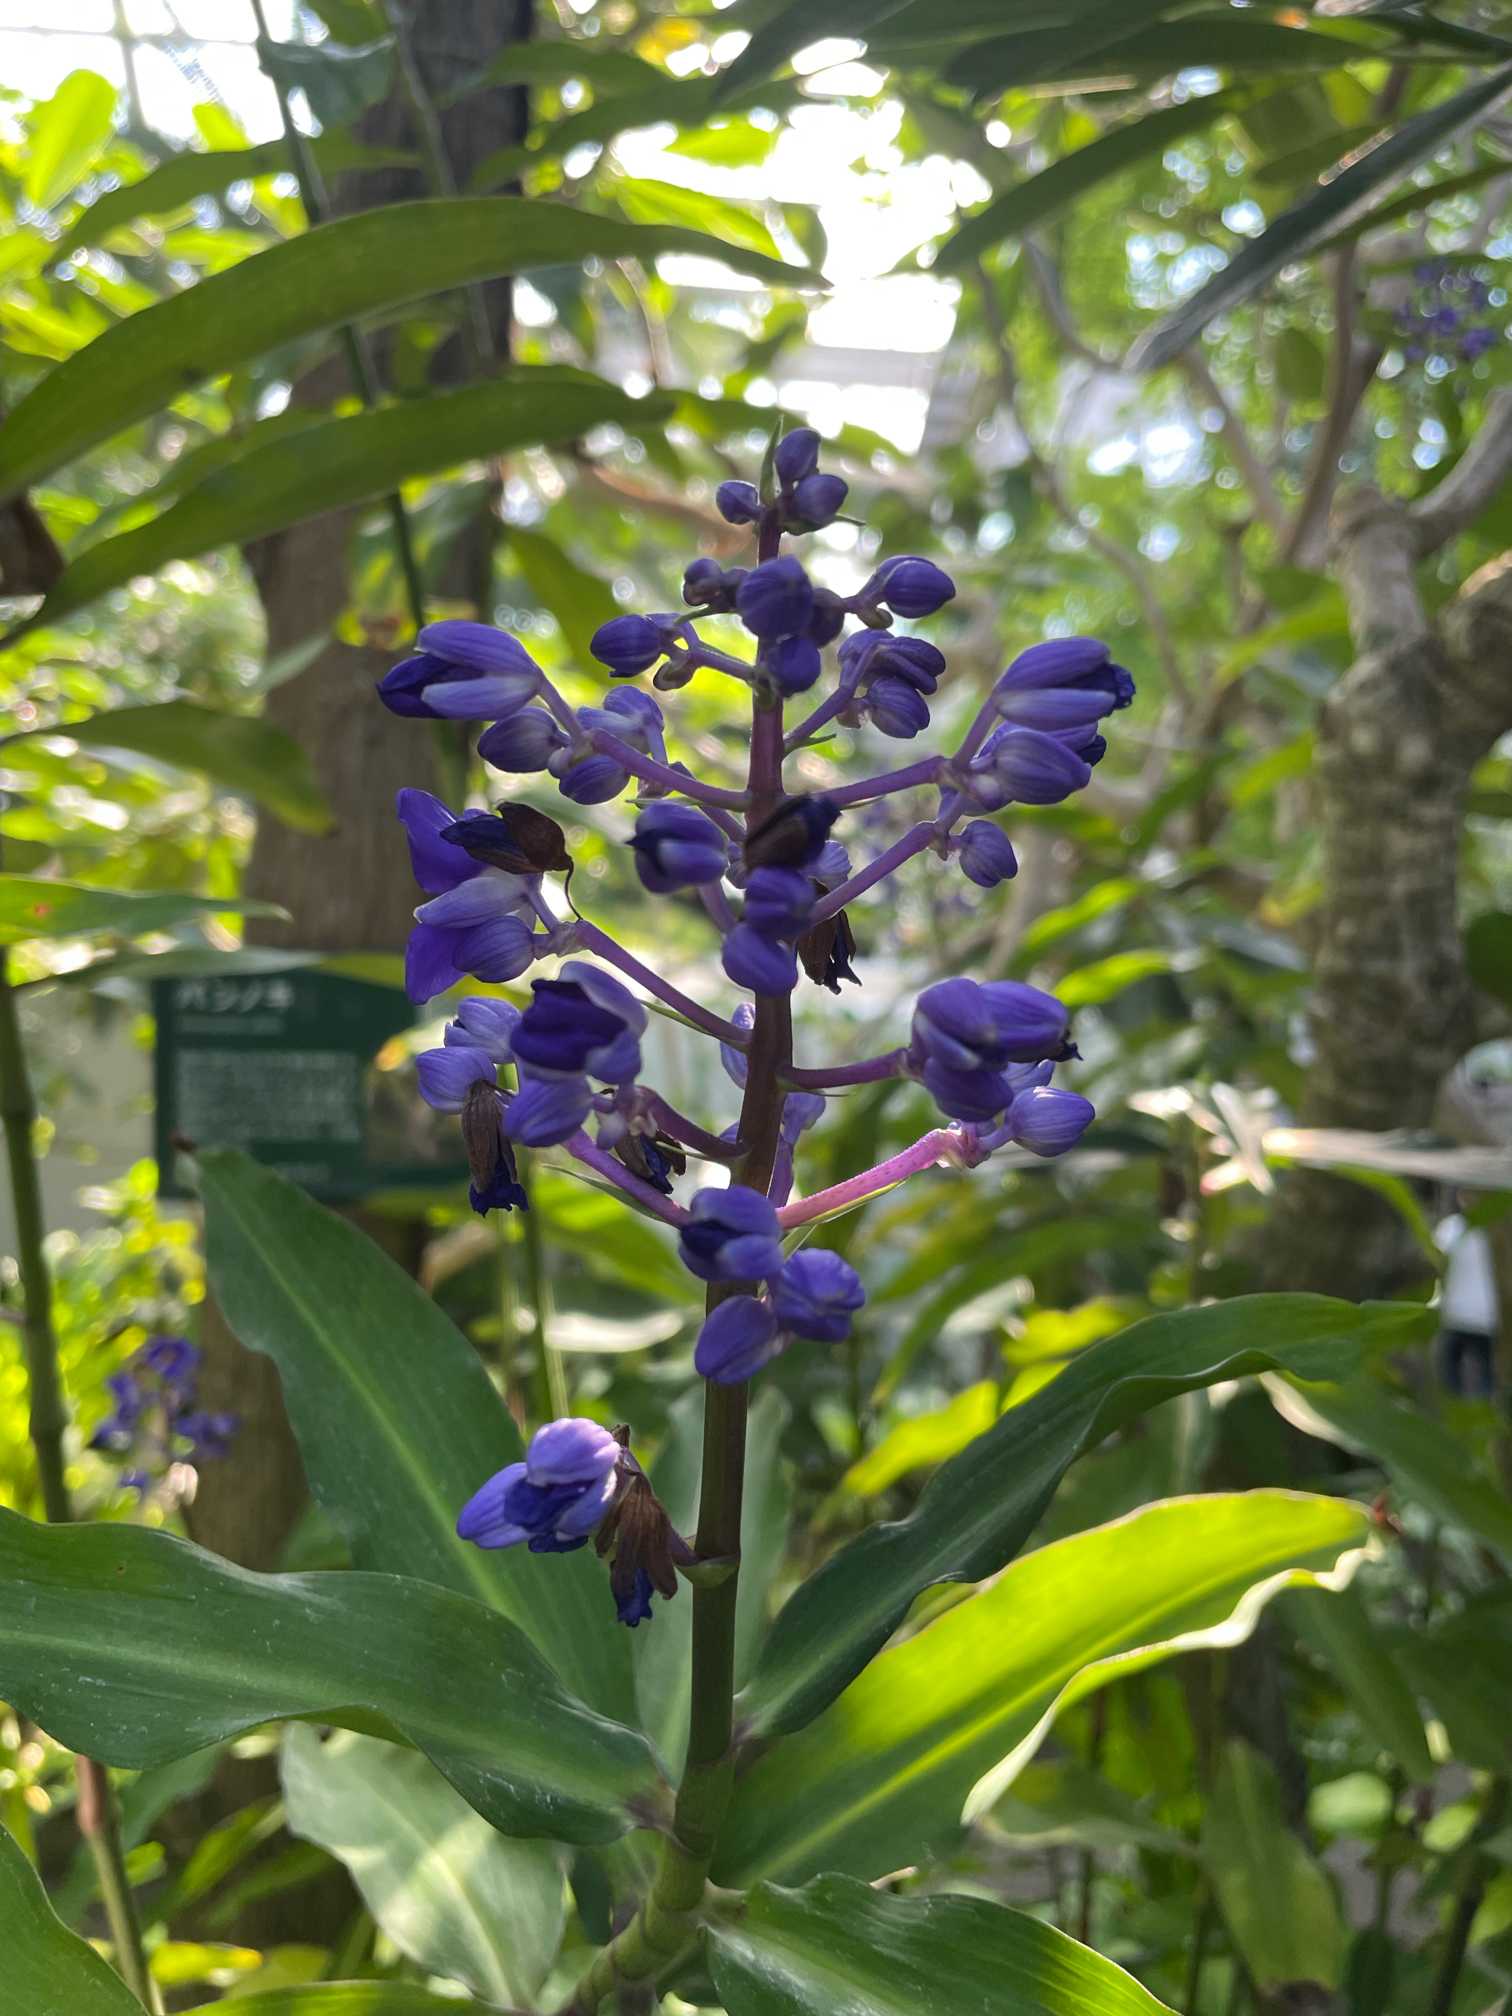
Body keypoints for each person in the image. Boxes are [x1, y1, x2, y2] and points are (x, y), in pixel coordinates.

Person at [1435, 1195, 1499, 1398]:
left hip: (1458, 1313)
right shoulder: (1496, 1230)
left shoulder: (1451, 1228)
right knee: (1486, 1378)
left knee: (1450, 1379)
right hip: (1485, 1316)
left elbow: (1434, 1259)